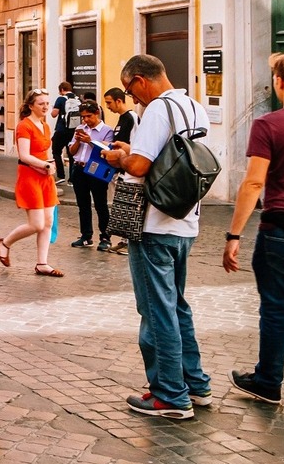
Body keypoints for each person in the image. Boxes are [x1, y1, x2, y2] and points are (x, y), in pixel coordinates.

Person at [102, 54, 212, 419]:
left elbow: (140, 165)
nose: (133, 99)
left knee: (155, 310)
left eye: (131, 90)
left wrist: (119, 157)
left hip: (154, 224)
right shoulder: (194, 106)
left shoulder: (156, 111)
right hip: (186, 221)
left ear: (139, 80)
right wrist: (132, 152)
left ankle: (169, 395)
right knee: (177, 305)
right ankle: (195, 385)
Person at [223, 49, 284, 406]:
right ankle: (265, 380)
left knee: (276, 308)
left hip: (278, 230)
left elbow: (252, 184)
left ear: (279, 82)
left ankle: (268, 381)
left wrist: (233, 236)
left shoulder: (268, 125)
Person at [0, 90, 62, 277]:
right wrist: (44, 164)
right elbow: (24, 155)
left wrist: (51, 164)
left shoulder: (45, 126)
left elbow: (44, 152)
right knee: (36, 224)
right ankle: (5, 243)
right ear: (31, 106)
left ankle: (42, 263)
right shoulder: (24, 126)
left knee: (48, 222)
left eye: (47, 103)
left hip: (45, 176)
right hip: (30, 177)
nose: (45, 107)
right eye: (41, 104)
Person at [67, 101, 115, 251]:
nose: (85, 120)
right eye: (83, 117)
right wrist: (78, 141)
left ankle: (105, 237)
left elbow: (107, 150)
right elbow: (72, 151)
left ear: (97, 114)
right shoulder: (80, 128)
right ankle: (86, 236)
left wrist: (90, 141)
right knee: (83, 204)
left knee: (100, 204)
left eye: (88, 116)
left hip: (96, 169)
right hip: (79, 168)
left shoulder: (107, 130)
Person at [102, 87, 137, 254]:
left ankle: (130, 242)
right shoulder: (121, 119)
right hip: (118, 169)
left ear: (119, 100)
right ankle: (124, 240)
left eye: (109, 103)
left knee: (129, 205)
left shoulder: (132, 118)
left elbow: (136, 144)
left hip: (128, 169)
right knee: (119, 205)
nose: (108, 106)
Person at [50, 82, 79, 184]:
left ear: (62, 89)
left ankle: (61, 175)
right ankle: (72, 179)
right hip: (73, 131)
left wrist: (53, 108)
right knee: (71, 154)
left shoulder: (61, 99)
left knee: (56, 151)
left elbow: (54, 114)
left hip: (61, 130)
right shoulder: (77, 99)